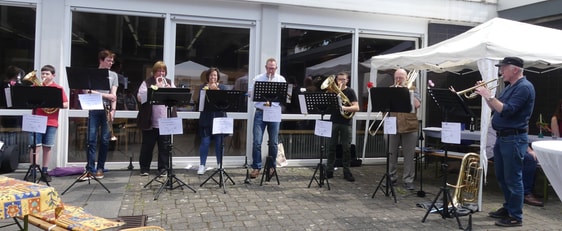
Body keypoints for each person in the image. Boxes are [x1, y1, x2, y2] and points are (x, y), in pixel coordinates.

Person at [475, 56, 535, 227]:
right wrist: (486, 95)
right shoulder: (511, 87)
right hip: (503, 138)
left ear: (514, 69)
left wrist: (489, 95)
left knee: (513, 178)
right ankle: (509, 207)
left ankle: (516, 216)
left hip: (514, 138)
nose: (500, 71)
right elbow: (496, 107)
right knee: (502, 176)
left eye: (503, 68)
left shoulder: (524, 88)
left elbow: (507, 110)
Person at [24, 65, 68, 182]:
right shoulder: (35, 87)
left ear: (53, 75)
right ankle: (33, 170)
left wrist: (54, 102)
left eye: (47, 74)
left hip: (51, 121)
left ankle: (45, 171)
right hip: (37, 120)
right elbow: (27, 100)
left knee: (47, 147)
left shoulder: (58, 88)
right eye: (43, 74)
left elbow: (66, 104)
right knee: (35, 146)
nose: (44, 76)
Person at [80, 50, 119, 181]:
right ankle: (90, 169)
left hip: (107, 109)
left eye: (112, 61)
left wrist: (113, 111)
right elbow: (86, 91)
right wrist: (105, 95)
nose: (111, 63)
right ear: (101, 60)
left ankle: (100, 167)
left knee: (104, 140)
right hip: (94, 108)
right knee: (91, 140)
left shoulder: (113, 75)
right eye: (108, 60)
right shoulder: (92, 74)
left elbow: (114, 95)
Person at [486, 127, 543, 207]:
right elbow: (514, 137)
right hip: (496, 150)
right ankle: (525, 193)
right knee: (529, 159)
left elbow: (519, 138)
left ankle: (527, 190)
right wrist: (529, 151)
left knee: (531, 157)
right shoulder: (509, 119)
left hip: (506, 147)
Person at [248, 58, 286, 178]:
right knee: (257, 142)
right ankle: (256, 167)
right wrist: (255, 92)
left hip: (274, 111)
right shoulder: (258, 79)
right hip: (260, 112)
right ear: (265, 67)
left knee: (274, 143)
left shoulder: (281, 79)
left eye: (273, 68)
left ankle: (271, 167)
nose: (271, 70)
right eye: (269, 68)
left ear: (276, 68)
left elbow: (286, 96)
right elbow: (250, 93)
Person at [137, 61, 176, 176]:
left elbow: (175, 99)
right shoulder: (147, 82)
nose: (161, 73)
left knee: (164, 147)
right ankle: (144, 168)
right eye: (159, 71)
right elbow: (140, 97)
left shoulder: (169, 82)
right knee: (147, 146)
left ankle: (163, 168)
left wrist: (170, 90)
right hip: (151, 120)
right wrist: (154, 89)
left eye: (163, 71)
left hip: (165, 121)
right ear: (154, 72)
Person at [387, 68, 421, 190]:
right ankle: (391, 178)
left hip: (410, 126)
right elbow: (383, 106)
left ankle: (408, 180)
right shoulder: (390, 90)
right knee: (391, 154)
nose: (398, 80)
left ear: (406, 78)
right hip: (393, 125)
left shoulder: (413, 89)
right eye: (396, 77)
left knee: (409, 155)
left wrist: (405, 91)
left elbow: (417, 104)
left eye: (401, 77)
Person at [325, 72, 360, 182]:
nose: (341, 81)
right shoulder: (332, 91)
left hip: (346, 122)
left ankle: (347, 171)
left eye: (343, 79)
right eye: (339, 79)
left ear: (347, 80)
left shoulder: (350, 91)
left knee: (346, 148)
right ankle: (329, 170)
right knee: (331, 147)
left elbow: (356, 107)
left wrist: (344, 108)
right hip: (334, 121)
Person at [197, 67, 227, 175]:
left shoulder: (223, 87)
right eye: (210, 75)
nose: (212, 77)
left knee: (220, 143)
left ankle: (220, 164)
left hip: (219, 118)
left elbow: (225, 103)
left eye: (214, 75)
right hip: (206, 118)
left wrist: (216, 91)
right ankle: (202, 165)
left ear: (217, 77)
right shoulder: (202, 88)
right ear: (207, 77)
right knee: (205, 142)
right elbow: (200, 104)